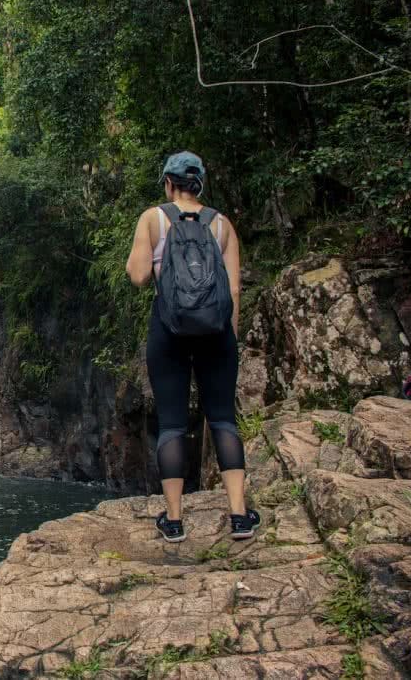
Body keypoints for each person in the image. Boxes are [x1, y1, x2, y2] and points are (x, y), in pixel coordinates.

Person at [125, 151, 260, 543]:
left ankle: (175, 521)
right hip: (217, 333)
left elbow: (136, 276)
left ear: (168, 183)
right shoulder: (222, 225)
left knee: (171, 424)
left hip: (168, 330)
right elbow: (233, 289)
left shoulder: (154, 218)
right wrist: (227, 338)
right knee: (222, 420)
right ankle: (238, 516)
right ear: (200, 183)